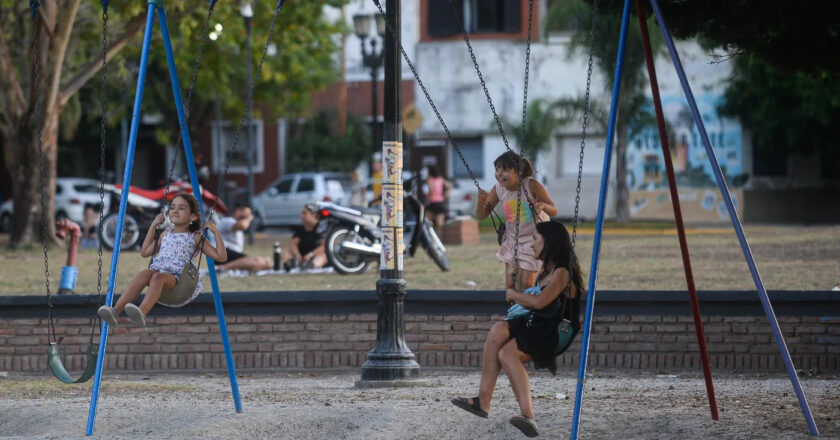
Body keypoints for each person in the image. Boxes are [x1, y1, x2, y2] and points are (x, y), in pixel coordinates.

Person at [451, 221, 583, 438]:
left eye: (534, 239)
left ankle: (528, 415)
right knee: (497, 331)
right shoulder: (544, 273)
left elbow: (539, 302)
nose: (531, 245)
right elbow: (522, 303)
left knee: (507, 354)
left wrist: (513, 294)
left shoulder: (562, 273)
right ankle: (482, 401)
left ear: (548, 242)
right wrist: (510, 279)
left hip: (556, 330)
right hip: (538, 321)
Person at [97, 194, 226, 327]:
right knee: (146, 273)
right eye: (172, 207)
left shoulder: (195, 237)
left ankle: (141, 313)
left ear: (192, 216)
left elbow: (221, 257)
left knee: (158, 277)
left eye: (181, 208)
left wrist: (216, 232)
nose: (175, 211)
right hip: (157, 275)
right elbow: (145, 251)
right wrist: (153, 226)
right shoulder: (165, 234)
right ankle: (115, 311)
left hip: (179, 280)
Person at [475, 151, 558, 291]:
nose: (500, 173)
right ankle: (515, 311)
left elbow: (554, 209)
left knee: (527, 284)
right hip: (513, 239)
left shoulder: (531, 185)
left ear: (518, 171)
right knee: (511, 286)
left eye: (505, 169)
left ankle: (531, 309)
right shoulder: (499, 188)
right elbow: (482, 214)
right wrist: (480, 201)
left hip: (535, 239)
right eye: (497, 169)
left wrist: (543, 206)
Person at [215, 204, 273, 272]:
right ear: (238, 211)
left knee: (262, 263)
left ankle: (225, 267)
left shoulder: (235, 225)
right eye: (246, 214)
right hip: (224, 252)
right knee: (258, 261)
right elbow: (243, 225)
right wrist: (249, 218)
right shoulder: (228, 221)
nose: (247, 217)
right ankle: (222, 268)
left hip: (231, 255)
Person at [283, 204, 327, 270]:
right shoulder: (300, 230)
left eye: (304, 214)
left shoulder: (321, 229)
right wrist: (297, 255)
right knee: (287, 253)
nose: (301, 216)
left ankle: (311, 266)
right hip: (302, 258)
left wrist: (311, 254)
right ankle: (283, 266)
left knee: (324, 256)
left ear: (313, 215)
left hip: (314, 257)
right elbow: (293, 244)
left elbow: (324, 246)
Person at [424, 165, 452, 230]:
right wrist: (445, 196)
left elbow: (431, 190)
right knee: (440, 223)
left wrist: (426, 200)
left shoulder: (430, 180)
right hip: (441, 203)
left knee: (426, 220)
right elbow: (449, 186)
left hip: (433, 202)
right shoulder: (440, 179)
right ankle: (441, 238)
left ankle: (430, 234)